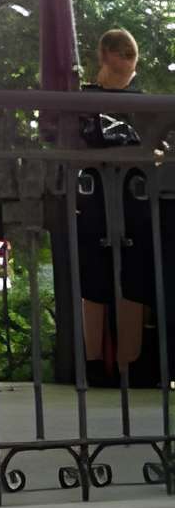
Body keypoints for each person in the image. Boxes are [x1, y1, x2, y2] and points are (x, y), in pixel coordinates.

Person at [76, 27, 153, 378]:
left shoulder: (88, 101)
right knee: (105, 276)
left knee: (125, 277)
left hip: (117, 194)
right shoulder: (93, 101)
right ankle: (117, 362)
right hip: (115, 195)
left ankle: (111, 362)